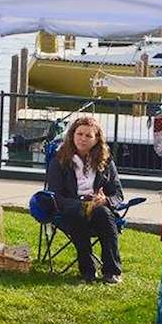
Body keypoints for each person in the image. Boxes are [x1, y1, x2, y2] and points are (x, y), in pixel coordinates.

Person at [46, 116, 125, 284]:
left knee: (104, 213)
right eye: (79, 134)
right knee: (77, 213)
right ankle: (87, 270)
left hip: (98, 208)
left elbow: (118, 194)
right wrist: (79, 204)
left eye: (88, 136)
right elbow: (55, 195)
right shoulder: (59, 161)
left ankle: (111, 271)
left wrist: (105, 200)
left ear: (97, 139)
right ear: (72, 135)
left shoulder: (106, 161)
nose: (83, 138)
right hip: (70, 209)